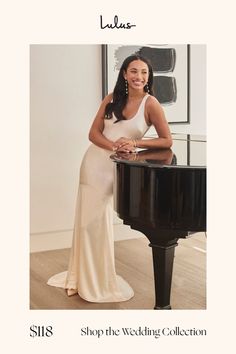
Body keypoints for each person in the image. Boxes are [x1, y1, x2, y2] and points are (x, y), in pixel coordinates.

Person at [47, 54, 172, 303]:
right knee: (87, 222)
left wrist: (135, 143)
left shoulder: (151, 104)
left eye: (144, 72)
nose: (139, 77)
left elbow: (166, 140)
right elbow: (93, 134)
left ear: (149, 76)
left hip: (121, 168)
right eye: (134, 71)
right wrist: (114, 145)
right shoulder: (111, 98)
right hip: (93, 164)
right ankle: (84, 277)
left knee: (96, 223)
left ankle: (97, 279)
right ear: (124, 74)